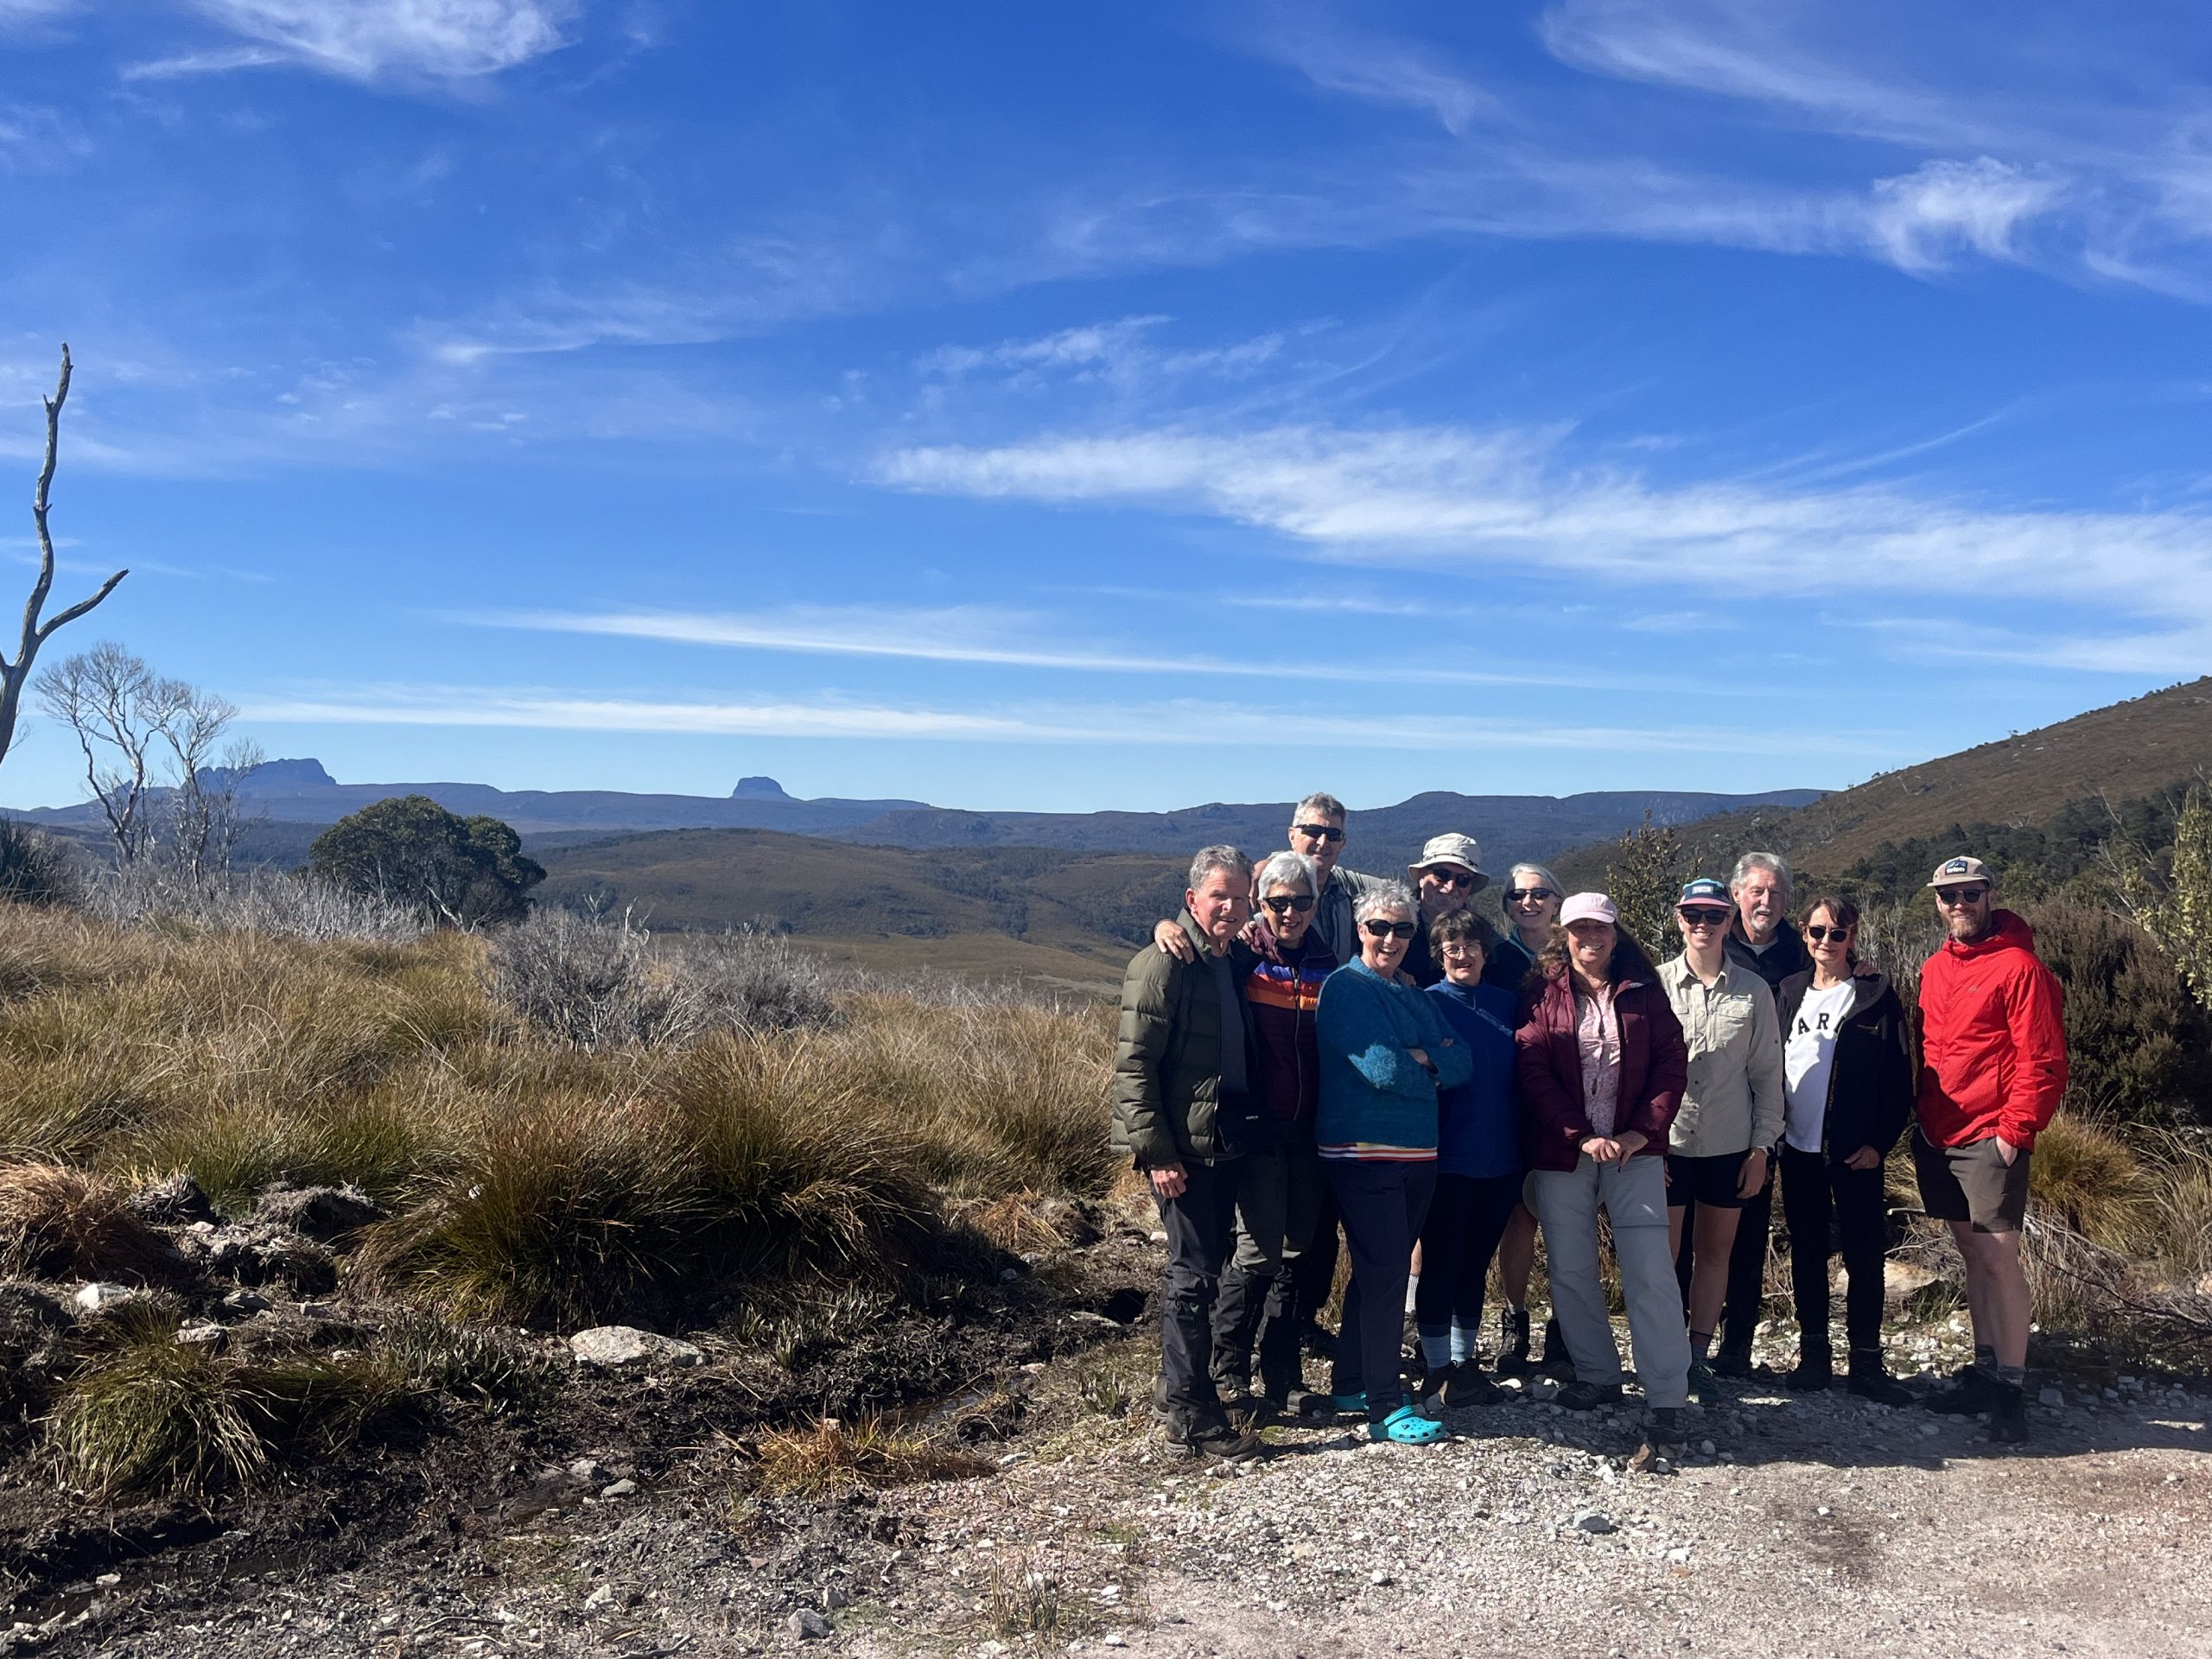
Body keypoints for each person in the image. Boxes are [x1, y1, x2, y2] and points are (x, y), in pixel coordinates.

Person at [1516, 892, 1692, 1448]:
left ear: (1616, 935)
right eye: (1578, 930)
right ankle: (1598, 1375)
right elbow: (1533, 1066)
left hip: (1636, 1153)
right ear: (1564, 935)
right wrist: (1581, 1135)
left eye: (1600, 929)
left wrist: (1641, 1133)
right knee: (1570, 1269)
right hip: (1564, 1152)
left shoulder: (1644, 992)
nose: (1589, 939)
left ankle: (1666, 1394)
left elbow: (1671, 1064)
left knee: (1650, 1272)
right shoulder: (1541, 993)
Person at [1110, 844, 1262, 1460]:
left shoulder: (1229, 958)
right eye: (1218, 894)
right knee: (1193, 1275)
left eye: (1238, 895)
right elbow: (1133, 1068)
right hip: (1184, 1151)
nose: (1228, 905)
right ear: (1192, 896)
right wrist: (1158, 1153)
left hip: (1220, 1139)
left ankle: (1180, 1387)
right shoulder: (1164, 963)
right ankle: (1192, 1418)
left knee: (1206, 1264)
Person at [1912, 855, 2067, 1445]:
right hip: (1939, 1134)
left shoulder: (2020, 968)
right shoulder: (1933, 967)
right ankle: (1982, 1371)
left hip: (1989, 1137)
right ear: (1937, 902)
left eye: (1970, 894)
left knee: (2000, 1259)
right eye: (1948, 895)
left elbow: (2043, 1060)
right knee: (1973, 1257)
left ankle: (2010, 1388)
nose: (1959, 904)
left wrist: (2014, 1133)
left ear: (1989, 895)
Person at [1314, 882, 1471, 1445]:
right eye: (1378, 926)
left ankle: (1353, 1381)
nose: (1389, 938)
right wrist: (1427, 1061)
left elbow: (1462, 1061)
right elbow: (1382, 1070)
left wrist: (1425, 1058)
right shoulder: (1345, 990)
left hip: (1417, 1154)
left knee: (1376, 1272)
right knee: (1386, 1275)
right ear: (1360, 930)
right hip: (1364, 1155)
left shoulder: (1412, 992)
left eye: (1402, 929)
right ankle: (1384, 1406)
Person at [1207, 850, 1337, 1415]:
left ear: (1314, 905)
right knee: (1256, 1253)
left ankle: (1284, 1376)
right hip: (1260, 1131)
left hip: (1311, 1130)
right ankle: (1228, 1373)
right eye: (1278, 902)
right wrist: (1165, 927)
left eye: (1300, 902)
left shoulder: (1327, 963)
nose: (1290, 913)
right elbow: (1192, 949)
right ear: (1260, 905)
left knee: (1298, 1253)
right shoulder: (1240, 959)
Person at [1776, 894, 1914, 1403]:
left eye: (1838, 933)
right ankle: (1813, 1357)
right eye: (1817, 932)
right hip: (1798, 1149)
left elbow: (1899, 1077)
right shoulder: (1789, 992)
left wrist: (1880, 1143)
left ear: (1853, 936)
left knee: (1864, 1257)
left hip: (1855, 1153)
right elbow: (1771, 1062)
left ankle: (1867, 1365)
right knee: (1808, 1253)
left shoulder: (1876, 994)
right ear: (1804, 935)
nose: (1826, 942)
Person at [1659, 878, 1784, 1402]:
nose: (1703, 925)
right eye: (1693, 915)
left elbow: (1767, 1079)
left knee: (1714, 1255)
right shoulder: (1656, 984)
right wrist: (1644, 1143)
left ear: (1730, 922)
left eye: (1714, 916)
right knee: (1661, 1259)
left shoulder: (1753, 991)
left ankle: (1694, 1359)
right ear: (1679, 919)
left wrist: (1761, 1151)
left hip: (1730, 1147)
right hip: (1666, 1147)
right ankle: (1659, 1356)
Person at [1702, 851, 1814, 1378]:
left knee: (1750, 1238)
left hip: (1791, 1112)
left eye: (1775, 892)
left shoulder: (1807, 952)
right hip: (1725, 1116)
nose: (1765, 900)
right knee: (1702, 1237)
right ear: (1737, 897)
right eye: (1756, 891)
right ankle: (1689, 1346)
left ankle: (1738, 1347)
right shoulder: (1715, 946)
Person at [1414, 909, 1522, 1407]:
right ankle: (1435, 1368)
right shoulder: (1427, 1005)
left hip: (1503, 1158)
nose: (1461, 955)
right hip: (1448, 1157)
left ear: (1486, 952)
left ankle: (1463, 1364)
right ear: (1439, 955)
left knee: (1475, 1263)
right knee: (1441, 1262)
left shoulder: (1508, 1004)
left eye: (1470, 945)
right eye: (1451, 947)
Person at [1485, 862, 1566, 1377]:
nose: (1529, 902)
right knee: (1518, 1219)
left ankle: (1565, 1327)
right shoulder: (1496, 958)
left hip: (1565, 1106)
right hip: (1508, 1104)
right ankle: (1515, 1320)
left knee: (1564, 1219)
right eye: (1518, 894)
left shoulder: (1576, 953)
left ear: (1558, 901)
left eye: (1540, 894)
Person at [1402, 833, 1488, 988]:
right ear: (1421, 876)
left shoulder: (1483, 934)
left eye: (1463, 880)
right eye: (1442, 875)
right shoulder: (1393, 923)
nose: (1451, 886)